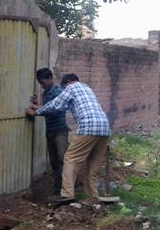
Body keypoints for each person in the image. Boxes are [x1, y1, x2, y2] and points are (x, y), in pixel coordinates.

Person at [27, 74, 110, 203]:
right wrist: (40, 107)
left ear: (68, 82)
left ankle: (67, 194)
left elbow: (56, 104)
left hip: (88, 127)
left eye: (63, 87)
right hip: (104, 129)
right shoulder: (87, 88)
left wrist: (36, 112)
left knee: (70, 159)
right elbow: (63, 107)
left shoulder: (70, 88)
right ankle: (92, 197)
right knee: (92, 166)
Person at [31, 68, 69, 196]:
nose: (42, 85)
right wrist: (38, 105)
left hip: (60, 131)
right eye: (40, 83)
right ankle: (58, 189)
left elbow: (58, 110)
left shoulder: (59, 91)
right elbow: (46, 109)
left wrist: (37, 110)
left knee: (63, 159)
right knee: (54, 162)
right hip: (50, 131)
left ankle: (68, 188)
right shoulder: (45, 93)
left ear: (50, 78)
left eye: (43, 82)